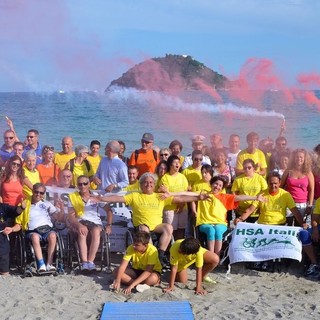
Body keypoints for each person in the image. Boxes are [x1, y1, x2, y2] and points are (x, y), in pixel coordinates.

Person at [97, 172, 209, 268]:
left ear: (154, 185)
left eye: (151, 182)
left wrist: (198, 197)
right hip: (141, 228)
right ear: (141, 185)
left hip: (156, 227)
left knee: (169, 227)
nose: (148, 184)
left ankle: (160, 254)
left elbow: (180, 198)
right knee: (144, 228)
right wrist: (101, 198)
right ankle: (151, 257)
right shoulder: (135, 196)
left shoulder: (159, 196)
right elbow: (117, 198)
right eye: (145, 182)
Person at [234, 172, 309, 271]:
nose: (273, 186)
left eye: (275, 183)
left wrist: (302, 223)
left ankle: (269, 261)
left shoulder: (285, 195)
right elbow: (250, 210)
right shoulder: (261, 194)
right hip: (263, 225)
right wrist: (240, 218)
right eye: (270, 183)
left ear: (280, 183)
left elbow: (294, 211)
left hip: (279, 225)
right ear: (267, 183)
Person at [196, 175, 266, 255]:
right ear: (211, 184)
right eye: (216, 184)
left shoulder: (224, 197)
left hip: (220, 223)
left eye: (220, 186)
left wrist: (256, 198)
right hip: (205, 223)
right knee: (211, 230)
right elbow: (189, 195)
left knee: (218, 231)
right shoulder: (203, 194)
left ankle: (217, 257)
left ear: (222, 188)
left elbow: (239, 197)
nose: (217, 187)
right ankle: (211, 257)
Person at [15, 183, 64, 272]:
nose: (38, 194)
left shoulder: (47, 204)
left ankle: (49, 263)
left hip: (47, 229)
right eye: (36, 192)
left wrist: (62, 209)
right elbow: (17, 214)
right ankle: (41, 264)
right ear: (32, 191)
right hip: (33, 230)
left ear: (44, 194)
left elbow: (58, 218)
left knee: (53, 236)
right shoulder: (26, 203)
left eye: (41, 193)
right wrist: (22, 208)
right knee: (35, 237)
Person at [68, 175, 113, 271]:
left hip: (95, 222)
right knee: (82, 231)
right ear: (77, 185)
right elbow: (71, 217)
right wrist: (79, 225)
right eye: (80, 184)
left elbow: (109, 211)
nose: (83, 186)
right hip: (80, 221)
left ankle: (90, 262)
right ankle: (84, 263)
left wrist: (109, 225)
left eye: (85, 183)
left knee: (96, 231)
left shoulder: (95, 196)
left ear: (89, 184)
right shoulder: (73, 197)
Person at [280, 148, 314, 225]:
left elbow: (311, 190)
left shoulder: (308, 172)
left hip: (302, 204)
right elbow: (281, 186)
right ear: (294, 158)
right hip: (288, 203)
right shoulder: (288, 170)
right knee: (287, 224)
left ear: (305, 159)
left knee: (300, 225)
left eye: (301, 157)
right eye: (297, 157)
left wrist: (310, 205)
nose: (299, 159)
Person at [159, 155, 189, 240]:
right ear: (170, 165)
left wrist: (182, 203)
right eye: (175, 163)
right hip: (170, 208)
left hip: (183, 206)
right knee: (171, 230)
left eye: (178, 162)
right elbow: (166, 194)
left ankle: (179, 247)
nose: (177, 164)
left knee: (181, 229)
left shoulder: (182, 176)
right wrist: (178, 202)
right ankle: (170, 249)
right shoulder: (165, 178)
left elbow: (186, 192)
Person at [0, 201, 26, 275]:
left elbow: (16, 211)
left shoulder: (3, 207)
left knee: (4, 272)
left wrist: (22, 207)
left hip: (2, 240)